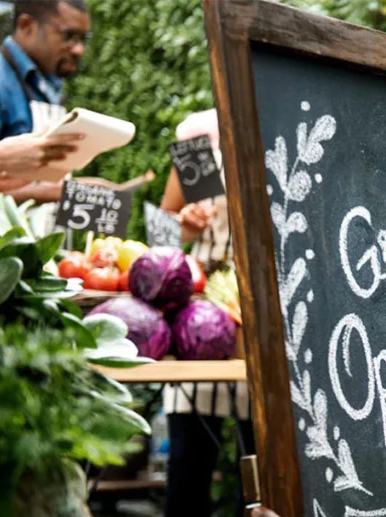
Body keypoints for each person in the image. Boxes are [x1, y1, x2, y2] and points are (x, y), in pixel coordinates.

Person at [158, 108, 253, 517]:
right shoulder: (200, 138)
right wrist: (186, 226)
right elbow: (161, 233)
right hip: (202, 318)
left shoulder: (288, 122)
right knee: (188, 461)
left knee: (261, 469)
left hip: (262, 324)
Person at [0, 0, 93, 218]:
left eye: (83, 39)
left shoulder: (49, 85)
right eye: (68, 35)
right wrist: (53, 193)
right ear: (26, 26)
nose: (79, 49)